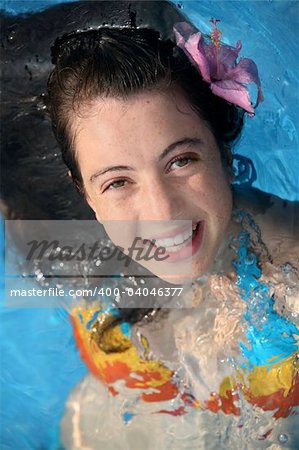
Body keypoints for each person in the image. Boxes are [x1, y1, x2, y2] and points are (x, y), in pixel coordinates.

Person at [2, 0, 299, 448]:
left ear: (221, 149)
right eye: (118, 181)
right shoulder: (50, 229)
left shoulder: (290, 267)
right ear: (83, 190)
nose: (162, 212)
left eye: (181, 160)